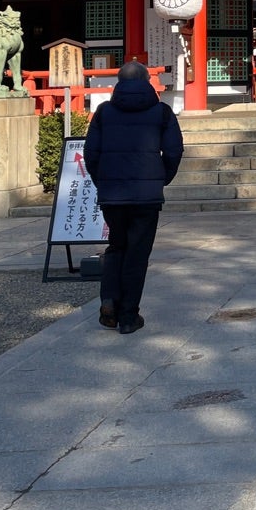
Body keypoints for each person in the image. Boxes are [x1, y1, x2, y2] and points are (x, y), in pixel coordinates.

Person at [83, 61, 184, 335]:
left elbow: (91, 153)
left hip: (112, 194)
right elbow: (174, 151)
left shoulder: (104, 112)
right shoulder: (161, 112)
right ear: (146, 82)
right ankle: (128, 315)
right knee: (137, 253)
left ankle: (109, 299)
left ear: (118, 82)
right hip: (146, 196)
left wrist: (101, 181)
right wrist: (163, 178)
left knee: (116, 246)